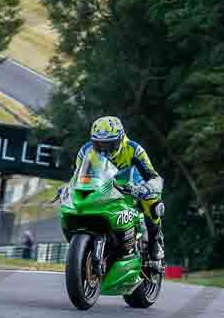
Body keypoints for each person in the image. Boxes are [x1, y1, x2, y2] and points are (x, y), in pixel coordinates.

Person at [67, 116, 165, 272]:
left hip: (133, 184)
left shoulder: (134, 149)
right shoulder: (85, 150)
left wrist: (146, 188)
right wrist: (67, 188)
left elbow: (154, 177)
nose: (104, 149)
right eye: (99, 144)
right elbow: (76, 175)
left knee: (152, 202)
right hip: (102, 186)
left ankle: (155, 243)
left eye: (110, 144)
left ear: (121, 138)